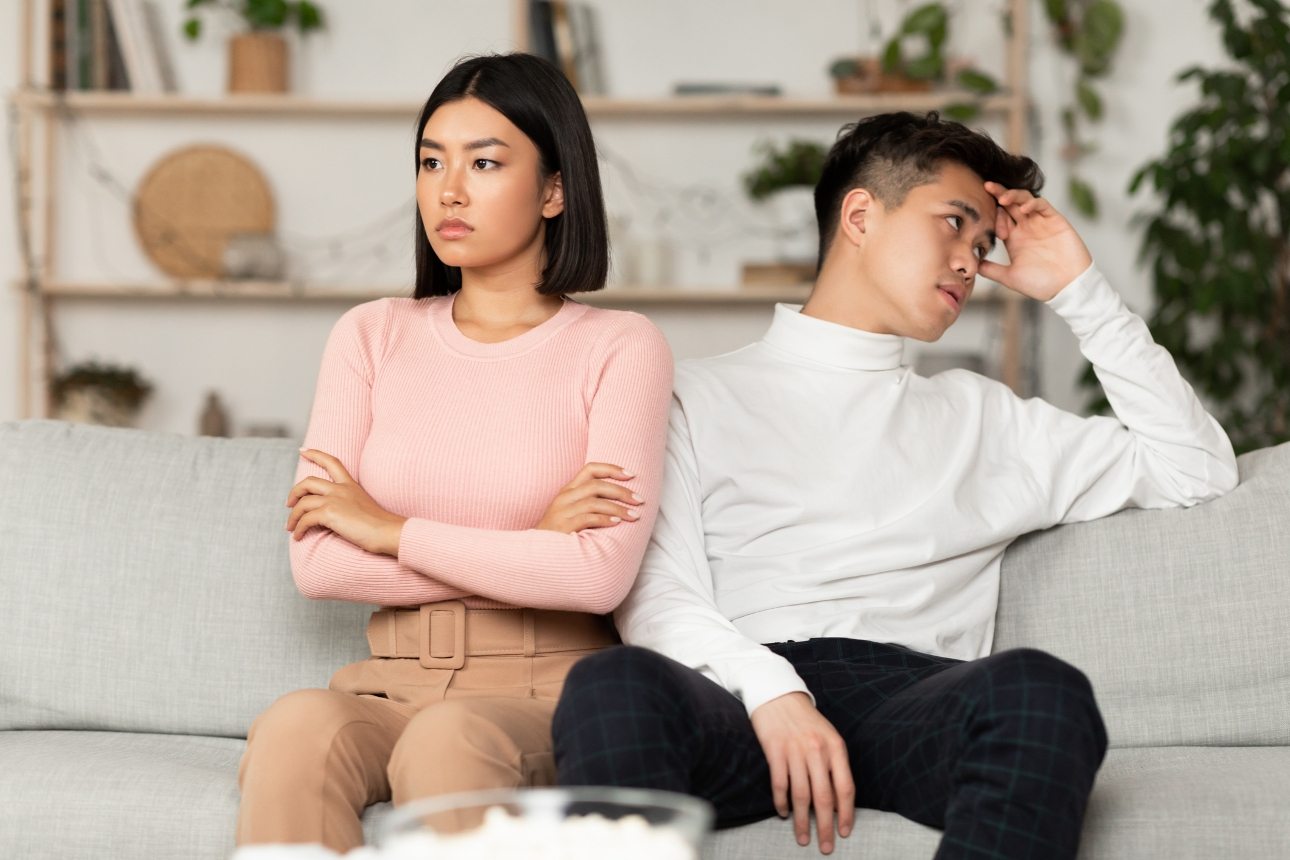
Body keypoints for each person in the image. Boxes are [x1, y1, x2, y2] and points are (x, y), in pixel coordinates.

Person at [552, 111, 1238, 858]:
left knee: (1042, 693)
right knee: (614, 687)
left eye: (983, 244)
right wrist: (774, 693)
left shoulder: (985, 418)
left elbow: (1195, 469)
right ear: (859, 215)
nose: (971, 263)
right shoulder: (690, 395)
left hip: (915, 698)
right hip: (745, 695)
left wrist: (1080, 290)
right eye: (952, 224)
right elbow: (658, 595)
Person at [236, 53, 673, 852]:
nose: (450, 189)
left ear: (554, 189)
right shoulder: (371, 334)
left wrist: (389, 528)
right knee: (296, 724)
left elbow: (596, 575)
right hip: (391, 681)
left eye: (485, 162)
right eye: (432, 161)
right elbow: (319, 566)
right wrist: (533, 545)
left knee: (449, 740)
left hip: (541, 691)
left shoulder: (620, 347)